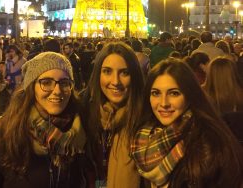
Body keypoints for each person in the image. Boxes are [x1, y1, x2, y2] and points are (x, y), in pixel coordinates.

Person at [0, 52, 86, 187]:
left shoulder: (80, 134)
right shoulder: (1, 139)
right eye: (46, 82)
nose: (57, 90)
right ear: (31, 87)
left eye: (64, 83)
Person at [130, 58, 243, 187]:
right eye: (156, 93)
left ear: (190, 95)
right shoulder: (143, 139)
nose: (163, 103)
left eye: (174, 93)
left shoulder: (209, 145)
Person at [83, 41, 145, 188]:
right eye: (107, 71)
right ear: (98, 74)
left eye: (124, 73)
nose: (115, 81)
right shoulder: (85, 113)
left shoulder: (145, 120)